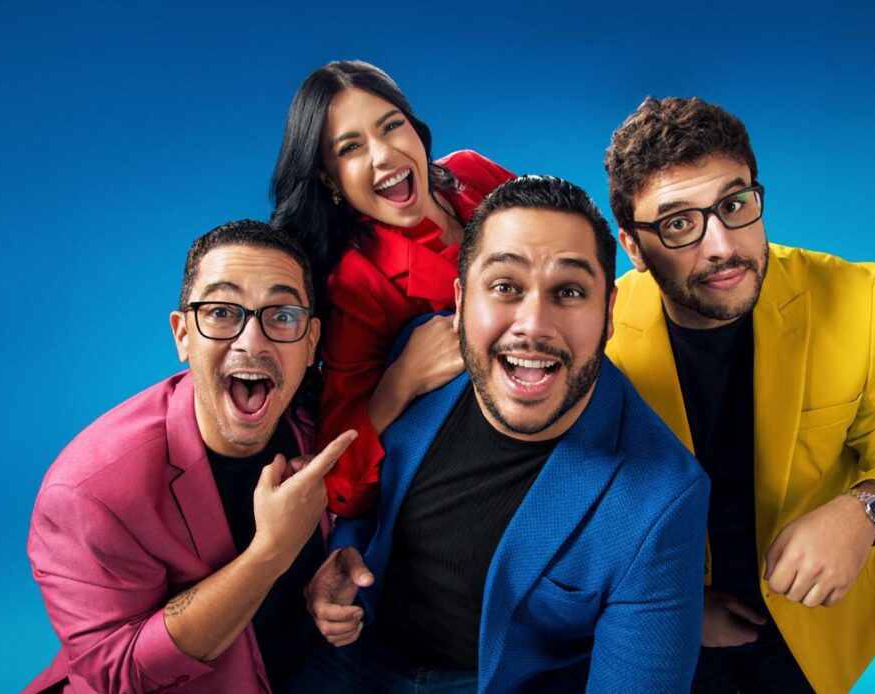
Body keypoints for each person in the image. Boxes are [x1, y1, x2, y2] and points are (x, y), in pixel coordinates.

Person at [289, 176, 710, 693]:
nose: (533, 325)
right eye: (505, 287)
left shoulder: (665, 499)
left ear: (607, 314)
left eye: (569, 292)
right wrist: (343, 559)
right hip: (357, 653)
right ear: (461, 301)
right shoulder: (418, 361)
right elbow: (374, 501)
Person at [603, 97, 875, 693]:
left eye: (734, 204)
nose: (722, 246)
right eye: (679, 223)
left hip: (812, 626)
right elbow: (566, 507)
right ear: (633, 247)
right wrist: (672, 603)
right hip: (658, 626)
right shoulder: (599, 335)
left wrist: (864, 513)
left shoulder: (862, 298)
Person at [25, 220, 356, 693]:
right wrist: (271, 553)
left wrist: (340, 564)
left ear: (309, 343)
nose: (252, 342)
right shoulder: (87, 492)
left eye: (281, 315)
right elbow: (120, 675)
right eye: (221, 312)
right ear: (182, 335)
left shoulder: (319, 422)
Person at [270, 60, 515, 517]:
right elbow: (339, 479)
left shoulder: (473, 172)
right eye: (351, 148)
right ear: (328, 178)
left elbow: (566, 242)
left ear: (415, 129)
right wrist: (403, 379)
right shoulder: (356, 281)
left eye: (391, 126)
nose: (383, 156)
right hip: (487, 472)